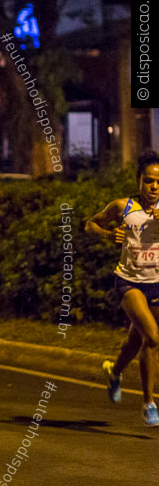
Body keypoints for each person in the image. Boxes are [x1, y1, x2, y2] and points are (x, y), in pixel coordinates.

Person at [86, 150, 159, 426]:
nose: (154, 187)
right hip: (129, 283)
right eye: (149, 181)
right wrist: (107, 234)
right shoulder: (123, 207)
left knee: (135, 341)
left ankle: (115, 373)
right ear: (139, 181)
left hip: (157, 284)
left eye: (158, 182)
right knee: (153, 337)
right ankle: (149, 404)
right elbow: (88, 224)